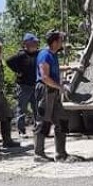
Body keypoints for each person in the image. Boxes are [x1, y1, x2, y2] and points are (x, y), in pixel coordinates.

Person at [34, 31, 71, 162]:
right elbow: (44, 77)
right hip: (45, 90)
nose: (62, 43)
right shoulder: (44, 55)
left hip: (53, 91)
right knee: (43, 122)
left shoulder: (53, 55)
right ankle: (38, 154)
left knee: (62, 119)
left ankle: (61, 154)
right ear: (54, 42)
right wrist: (60, 87)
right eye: (60, 40)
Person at [6, 33, 40, 138]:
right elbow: (8, 61)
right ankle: (21, 131)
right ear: (26, 44)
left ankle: (38, 129)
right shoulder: (21, 55)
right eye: (33, 42)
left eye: (36, 42)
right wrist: (18, 71)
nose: (35, 44)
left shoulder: (38, 53)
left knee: (37, 108)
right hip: (23, 86)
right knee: (22, 109)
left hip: (35, 85)